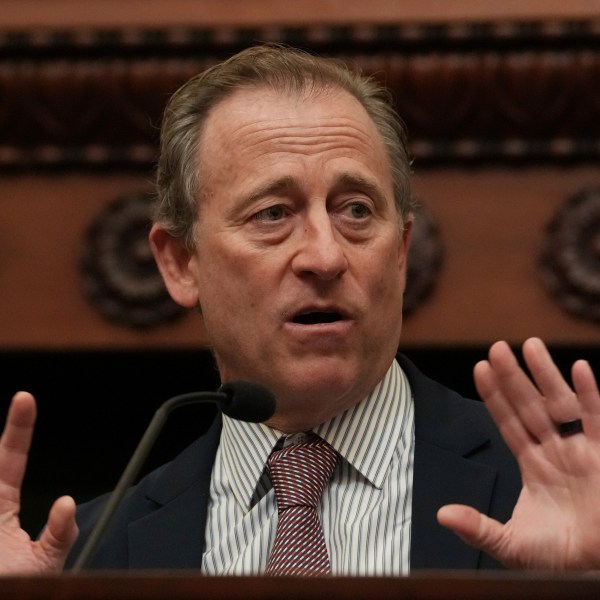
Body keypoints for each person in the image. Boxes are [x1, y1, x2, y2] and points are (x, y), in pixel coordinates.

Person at [1, 43, 599, 576]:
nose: (324, 255)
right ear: (181, 263)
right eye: (273, 214)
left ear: (401, 251)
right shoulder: (89, 560)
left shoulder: (562, 494)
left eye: (357, 210)